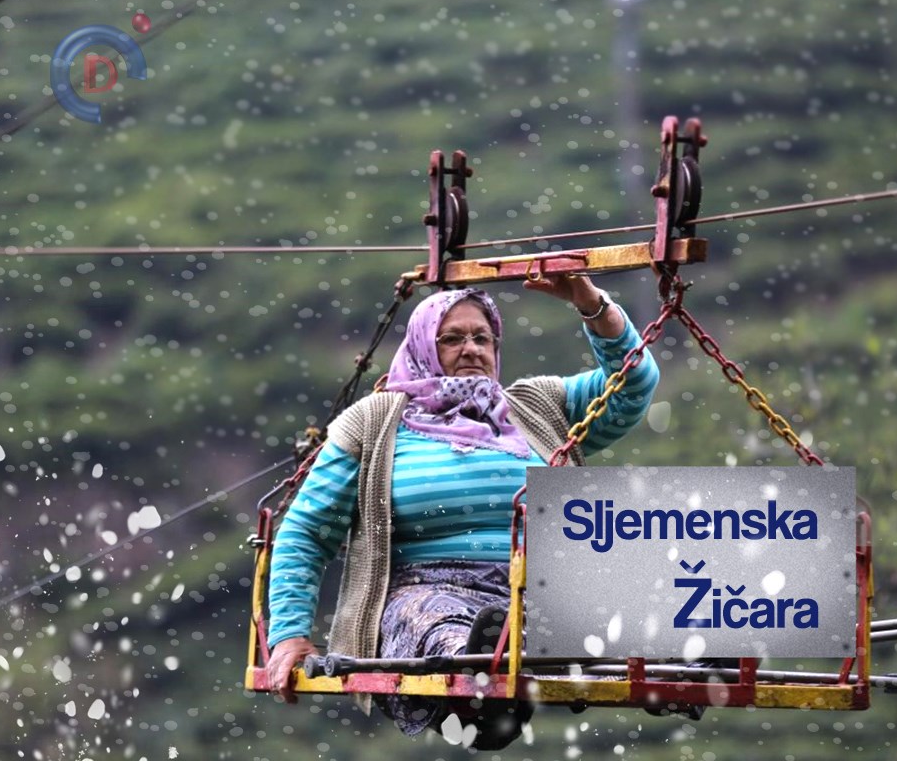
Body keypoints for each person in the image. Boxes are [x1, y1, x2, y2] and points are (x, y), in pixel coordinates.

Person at [265, 275, 660, 748]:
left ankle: (685, 655)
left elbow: (632, 383)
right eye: (451, 338)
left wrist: (591, 304)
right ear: (421, 348)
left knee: (625, 605)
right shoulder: (373, 422)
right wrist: (289, 637)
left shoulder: (537, 406)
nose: (471, 349)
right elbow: (307, 531)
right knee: (443, 629)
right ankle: (482, 684)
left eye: (482, 337)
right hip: (427, 589)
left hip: (535, 589)